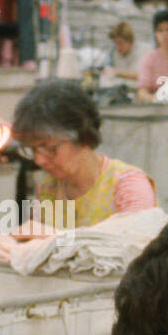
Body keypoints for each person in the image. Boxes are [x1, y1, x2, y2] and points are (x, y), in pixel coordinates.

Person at [12, 79, 157, 228]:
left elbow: (135, 243)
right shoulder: (48, 189)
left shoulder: (127, 185)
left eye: (49, 148)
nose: (39, 160)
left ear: (83, 137)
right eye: (33, 150)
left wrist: (58, 240)